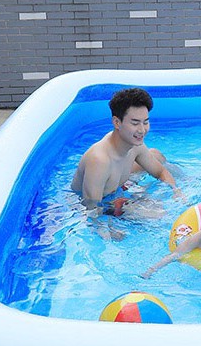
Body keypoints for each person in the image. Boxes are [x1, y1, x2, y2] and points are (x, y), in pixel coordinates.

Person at [71, 87, 184, 239]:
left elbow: (160, 172)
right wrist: (109, 230)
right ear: (117, 122)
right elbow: (91, 209)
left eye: (145, 122)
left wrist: (176, 191)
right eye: (135, 123)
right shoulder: (99, 161)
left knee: (157, 156)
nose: (142, 130)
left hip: (116, 187)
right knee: (156, 213)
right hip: (91, 204)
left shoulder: (135, 145)